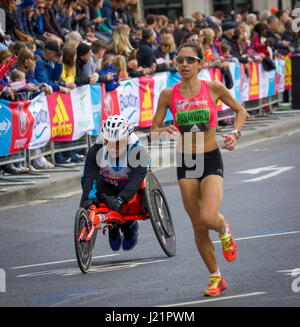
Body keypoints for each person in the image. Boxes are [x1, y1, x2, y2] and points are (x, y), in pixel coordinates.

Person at [150, 43, 247, 297]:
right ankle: (216, 277)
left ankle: (225, 230)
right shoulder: (169, 94)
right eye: (180, 60)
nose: (184, 64)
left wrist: (235, 135)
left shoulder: (213, 88)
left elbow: (240, 111)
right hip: (186, 160)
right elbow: (154, 129)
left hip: (210, 156)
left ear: (201, 63)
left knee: (208, 216)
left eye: (190, 60)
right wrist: (164, 131)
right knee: (198, 226)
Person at [80, 115, 148, 251]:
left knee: (141, 186)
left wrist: (121, 199)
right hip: (108, 184)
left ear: (126, 140)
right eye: (107, 142)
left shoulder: (137, 150)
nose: (112, 146)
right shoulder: (96, 150)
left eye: (117, 143)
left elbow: (137, 177)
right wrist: (90, 198)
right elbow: (89, 177)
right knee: (89, 195)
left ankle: (129, 225)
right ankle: (113, 225)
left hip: (131, 187)